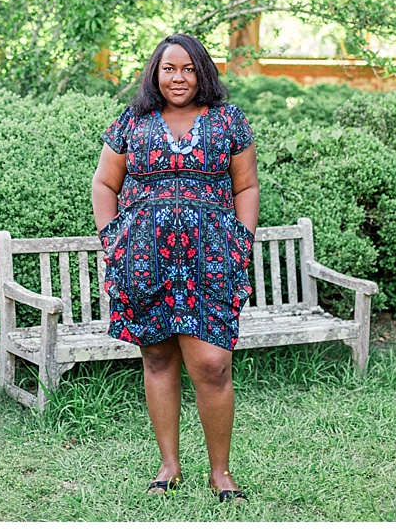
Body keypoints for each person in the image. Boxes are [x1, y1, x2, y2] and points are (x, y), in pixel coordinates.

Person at [90, 33, 258, 502]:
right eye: (169, 69)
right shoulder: (132, 121)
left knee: (213, 364)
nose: (178, 77)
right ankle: (169, 466)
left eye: (187, 68)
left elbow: (246, 187)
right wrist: (112, 240)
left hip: (211, 261)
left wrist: (240, 241)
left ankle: (220, 472)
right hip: (145, 261)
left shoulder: (229, 121)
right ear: (155, 73)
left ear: (202, 71)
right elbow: (104, 183)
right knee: (159, 357)